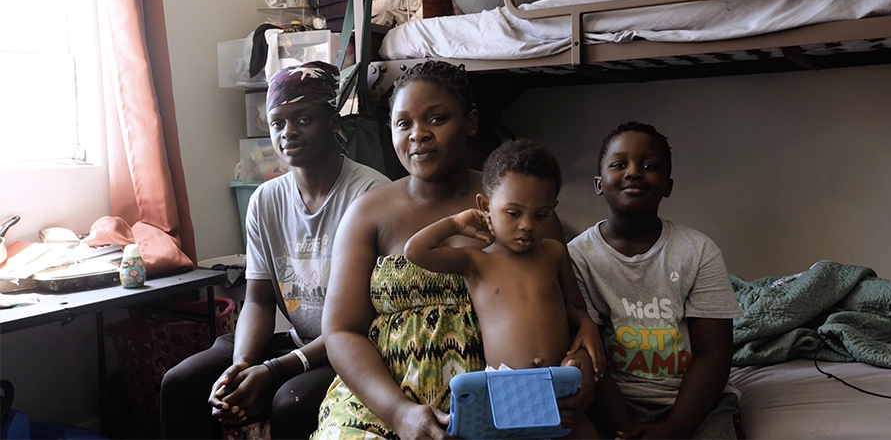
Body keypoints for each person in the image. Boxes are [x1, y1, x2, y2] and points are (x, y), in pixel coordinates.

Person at [312, 60, 597, 440]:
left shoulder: (521, 204)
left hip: (498, 405)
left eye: (436, 119)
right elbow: (340, 331)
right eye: (403, 124)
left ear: (471, 123)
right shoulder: (367, 213)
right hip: (381, 404)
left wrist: (578, 373)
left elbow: (567, 311)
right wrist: (398, 412)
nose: (418, 135)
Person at [159, 61, 389, 440]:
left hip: (354, 346)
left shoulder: (370, 197)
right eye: (278, 122)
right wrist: (243, 366)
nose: (288, 133)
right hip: (298, 341)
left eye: (303, 119)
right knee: (181, 383)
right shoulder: (265, 200)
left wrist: (278, 369)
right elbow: (260, 301)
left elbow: (361, 320)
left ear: (334, 123)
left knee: (291, 401)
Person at [404, 139, 603, 439]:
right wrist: (457, 223)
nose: (527, 226)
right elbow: (415, 250)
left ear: (553, 210)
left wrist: (586, 324)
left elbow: (573, 306)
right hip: (505, 387)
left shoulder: (554, 252)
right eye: (513, 213)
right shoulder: (476, 262)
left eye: (540, 215)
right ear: (485, 206)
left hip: (558, 381)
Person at [567, 121, 744, 440]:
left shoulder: (698, 250)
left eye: (649, 166)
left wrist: (675, 428)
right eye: (619, 165)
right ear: (599, 183)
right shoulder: (577, 257)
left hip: (693, 403)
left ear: (668, 185)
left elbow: (713, 354)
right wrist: (626, 429)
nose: (634, 172)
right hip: (610, 403)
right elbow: (591, 356)